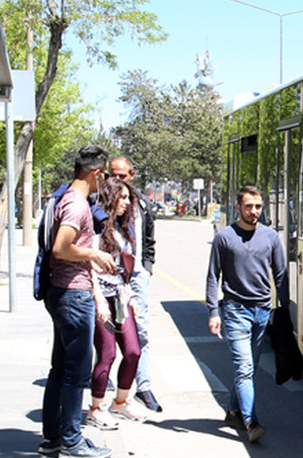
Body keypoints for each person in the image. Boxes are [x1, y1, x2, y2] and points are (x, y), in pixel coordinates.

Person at [40, 145, 115, 458]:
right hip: (73, 294)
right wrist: (94, 253)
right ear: (95, 173)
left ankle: (54, 437)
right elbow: (61, 247)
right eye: (105, 175)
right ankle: (71, 439)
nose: (106, 182)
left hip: (65, 292)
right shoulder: (76, 205)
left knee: (60, 369)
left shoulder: (70, 199)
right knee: (76, 373)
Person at [205, 185, 290, 443]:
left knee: (248, 369)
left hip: (262, 312)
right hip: (235, 311)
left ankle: (233, 412)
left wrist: (284, 311)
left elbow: (281, 275)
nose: (254, 211)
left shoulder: (271, 237)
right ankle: (250, 421)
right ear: (238, 207)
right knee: (244, 369)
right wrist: (213, 311)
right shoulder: (225, 237)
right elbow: (212, 276)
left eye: (258, 207)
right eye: (249, 206)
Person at [86, 177, 148, 430]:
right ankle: (95, 407)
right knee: (107, 353)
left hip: (121, 296)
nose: (125, 203)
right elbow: (88, 265)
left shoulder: (124, 227)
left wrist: (131, 293)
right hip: (101, 297)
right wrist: (98, 299)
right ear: (109, 198)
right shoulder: (95, 226)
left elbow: (126, 266)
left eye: (127, 199)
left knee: (133, 350)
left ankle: (121, 401)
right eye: (121, 198)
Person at [110, 157, 161, 412]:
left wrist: (147, 267)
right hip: (109, 275)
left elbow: (149, 238)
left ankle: (144, 385)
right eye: (113, 174)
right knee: (106, 330)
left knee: (140, 329)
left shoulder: (141, 203)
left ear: (132, 174)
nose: (117, 179)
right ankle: (104, 382)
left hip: (138, 274)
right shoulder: (102, 202)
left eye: (122, 175)